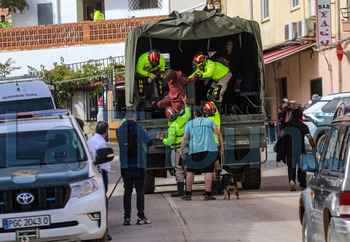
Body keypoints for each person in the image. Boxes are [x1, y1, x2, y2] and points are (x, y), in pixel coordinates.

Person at [116, 110, 153, 225]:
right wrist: (146, 133)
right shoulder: (139, 129)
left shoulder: (119, 130)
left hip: (125, 165)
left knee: (127, 191)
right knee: (139, 191)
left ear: (126, 117)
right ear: (135, 118)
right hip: (139, 165)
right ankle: (140, 216)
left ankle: (127, 218)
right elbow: (150, 142)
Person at [180, 106, 224, 201]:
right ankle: (207, 195)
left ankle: (188, 194)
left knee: (191, 171)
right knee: (208, 172)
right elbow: (218, 133)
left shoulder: (190, 123)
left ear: (194, 115)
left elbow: (185, 137)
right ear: (203, 114)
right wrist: (222, 147)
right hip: (209, 150)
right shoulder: (210, 121)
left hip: (194, 150)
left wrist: (181, 150)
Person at [158, 96, 191, 197]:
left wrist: (161, 139)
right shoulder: (183, 118)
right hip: (187, 148)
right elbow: (188, 112)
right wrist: (185, 103)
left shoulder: (172, 127)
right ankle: (188, 190)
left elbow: (169, 142)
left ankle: (180, 190)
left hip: (178, 150)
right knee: (187, 169)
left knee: (178, 169)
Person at [87, 121, 112, 240]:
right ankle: (104, 229)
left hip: (92, 173)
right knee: (103, 201)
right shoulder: (101, 143)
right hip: (101, 173)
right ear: (106, 132)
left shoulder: (90, 140)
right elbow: (104, 161)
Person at [280, 108, 315, 191]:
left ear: (292, 116)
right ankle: (303, 184)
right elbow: (309, 138)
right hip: (300, 150)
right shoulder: (303, 126)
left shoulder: (286, 125)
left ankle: (292, 181)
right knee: (301, 168)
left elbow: (281, 135)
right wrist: (314, 147)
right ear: (301, 116)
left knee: (291, 167)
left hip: (289, 150)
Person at [203, 101, 223, 195]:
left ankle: (212, 189)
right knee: (217, 167)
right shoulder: (217, 117)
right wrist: (210, 100)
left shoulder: (205, 121)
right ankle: (219, 189)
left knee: (210, 169)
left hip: (209, 146)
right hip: (217, 145)